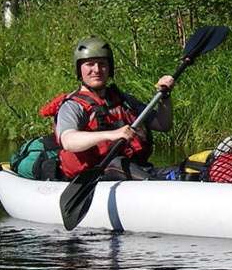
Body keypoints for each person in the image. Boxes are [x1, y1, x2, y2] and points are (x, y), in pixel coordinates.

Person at [52, 37, 175, 181]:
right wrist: (111, 134)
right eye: (90, 64)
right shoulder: (73, 106)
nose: (97, 70)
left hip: (136, 170)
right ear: (79, 69)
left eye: (102, 64)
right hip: (95, 176)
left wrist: (165, 97)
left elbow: (163, 124)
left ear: (110, 68)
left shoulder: (124, 100)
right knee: (116, 164)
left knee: (191, 168)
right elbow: (68, 141)